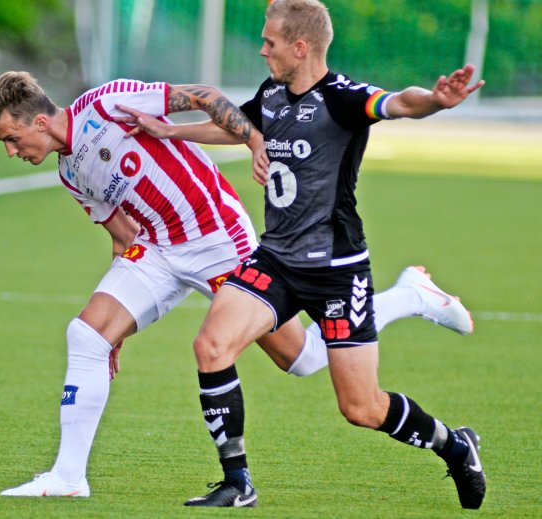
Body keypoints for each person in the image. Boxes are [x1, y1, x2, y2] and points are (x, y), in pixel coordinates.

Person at [0, 70, 473, 499]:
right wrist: (114, 328)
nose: (10, 151)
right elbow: (121, 235)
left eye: (11, 138)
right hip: (156, 249)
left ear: (38, 121)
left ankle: (411, 295)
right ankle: (68, 476)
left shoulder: (107, 104)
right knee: (86, 336)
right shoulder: (68, 171)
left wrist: (254, 138)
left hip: (215, 237)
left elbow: (202, 94)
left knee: (301, 360)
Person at [119, 0, 486, 509]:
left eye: (270, 42)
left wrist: (438, 101)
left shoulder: (341, 98)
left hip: (337, 270)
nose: (262, 48)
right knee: (211, 346)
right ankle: (237, 482)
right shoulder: (272, 92)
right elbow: (239, 126)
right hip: (275, 260)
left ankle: (454, 444)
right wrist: (171, 132)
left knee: (361, 407)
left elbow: (400, 102)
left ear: (300, 47)